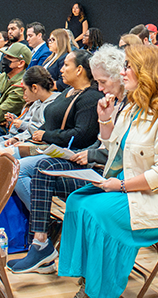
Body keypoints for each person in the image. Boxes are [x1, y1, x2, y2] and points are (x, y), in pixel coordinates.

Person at [57, 45, 158, 298]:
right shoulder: (135, 108)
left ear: (147, 73)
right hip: (128, 186)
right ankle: (87, 279)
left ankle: (102, 291)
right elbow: (113, 146)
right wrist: (105, 119)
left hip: (156, 196)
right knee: (76, 201)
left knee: (99, 213)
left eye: (129, 66)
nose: (123, 72)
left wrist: (120, 186)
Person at [7, 45, 127, 275]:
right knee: (36, 167)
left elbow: (89, 138)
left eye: (66, 65)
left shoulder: (95, 98)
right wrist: (32, 139)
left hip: (97, 171)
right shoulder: (70, 93)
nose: (60, 70)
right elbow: (103, 142)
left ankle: (43, 231)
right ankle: (41, 241)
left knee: (23, 167)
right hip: (65, 154)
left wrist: (88, 152)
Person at [14, 50, 102, 211]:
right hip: (51, 148)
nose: (61, 69)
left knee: (17, 170)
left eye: (66, 65)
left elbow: (81, 135)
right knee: (7, 156)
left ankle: (42, 220)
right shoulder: (66, 92)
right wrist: (23, 140)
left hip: (70, 155)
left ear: (79, 70)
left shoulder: (90, 97)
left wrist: (47, 135)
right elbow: (49, 123)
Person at [0, 66, 59, 157]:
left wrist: (23, 141)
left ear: (34, 88)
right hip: (26, 141)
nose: (24, 94)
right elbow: (30, 130)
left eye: (25, 89)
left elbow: (40, 132)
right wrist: (16, 138)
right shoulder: (37, 103)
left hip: (40, 147)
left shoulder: (55, 104)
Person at [0, 43, 32, 134]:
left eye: (9, 57)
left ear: (21, 63)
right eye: (5, 55)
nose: (4, 59)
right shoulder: (4, 77)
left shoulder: (22, 87)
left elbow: (2, 112)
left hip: (7, 130)